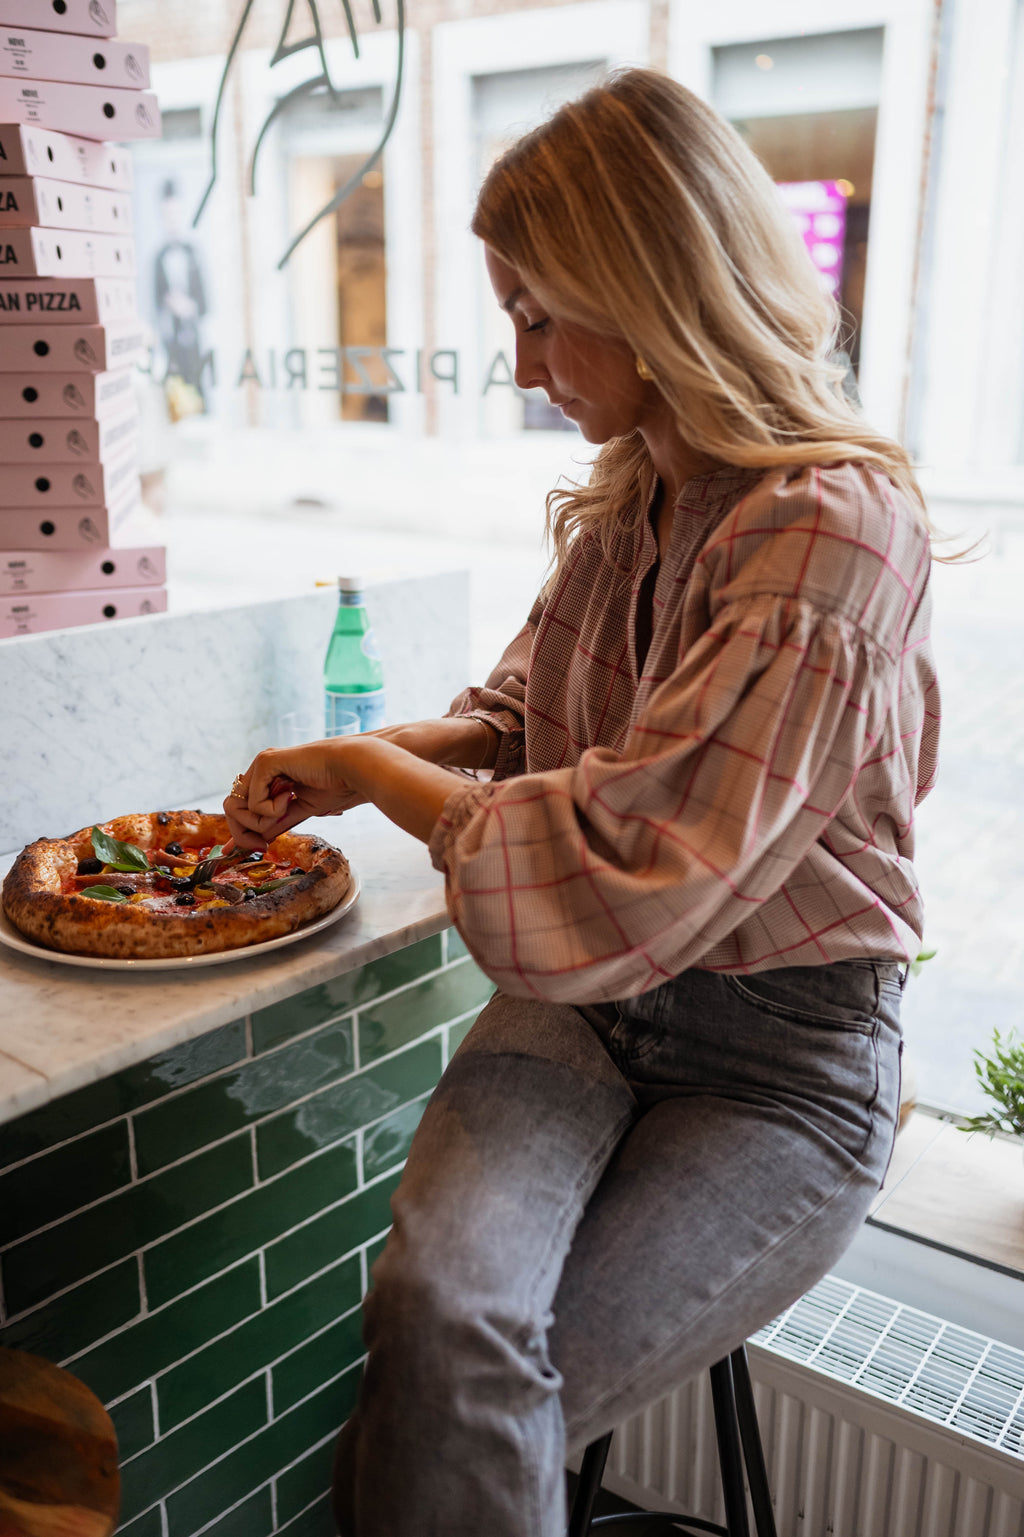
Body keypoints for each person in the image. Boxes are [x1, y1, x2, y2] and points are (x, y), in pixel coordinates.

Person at [223, 68, 939, 1537]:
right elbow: (527, 720)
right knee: (438, 1313)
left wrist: (372, 772)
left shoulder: (832, 533)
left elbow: (631, 858)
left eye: (540, 313)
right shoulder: (637, 489)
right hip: (593, 1008)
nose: (522, 358)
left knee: (477, 1380)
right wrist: (370, 753)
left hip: (780, 1060)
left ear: (656, 289)